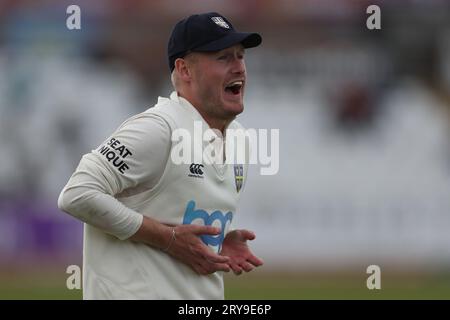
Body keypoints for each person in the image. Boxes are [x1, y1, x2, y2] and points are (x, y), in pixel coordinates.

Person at [58, 12, 263, 299]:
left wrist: (216, 242)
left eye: (240, 56)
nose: (239, 67)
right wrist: (169, 240)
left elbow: (172, 216)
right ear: (185, 70)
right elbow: (77, 194)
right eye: (223, 57)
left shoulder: (239, 138)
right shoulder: (158, 129)